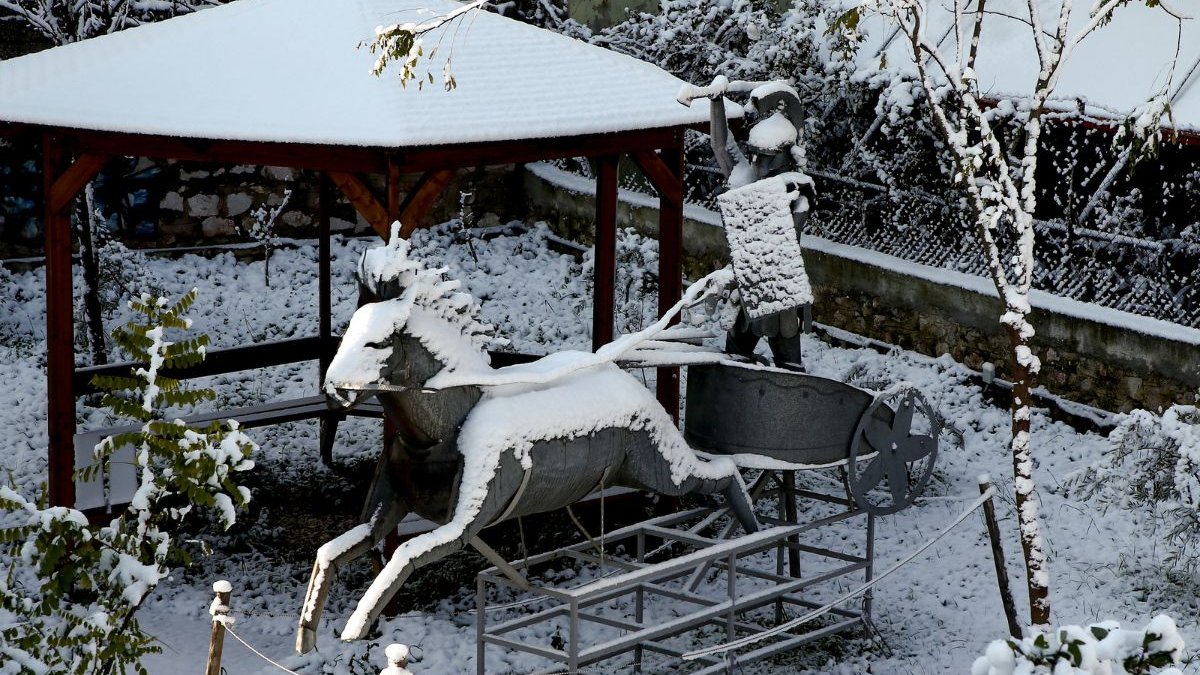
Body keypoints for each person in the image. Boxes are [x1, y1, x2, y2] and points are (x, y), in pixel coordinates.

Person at [704, 77, 815, 371]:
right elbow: (720, 144)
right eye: (756, 156)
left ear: (787, 155)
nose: (760, 165)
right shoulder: (746, 176)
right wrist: (716, 102)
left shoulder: (798, 193)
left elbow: (777, 240)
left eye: (768, 158)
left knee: (789, 370)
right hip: (746, 288)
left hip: (780, 294)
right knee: (734, 364)